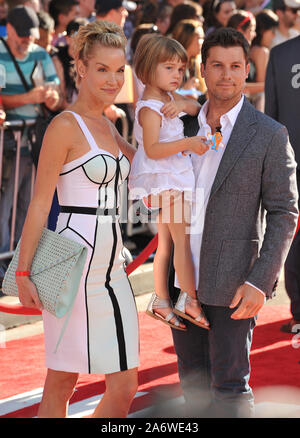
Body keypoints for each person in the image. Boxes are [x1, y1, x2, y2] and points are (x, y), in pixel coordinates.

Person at [169, 27, 298, 418]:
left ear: (246, 71)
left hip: (235, 282)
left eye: (235, 67)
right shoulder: (179, 125)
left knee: (229, 388)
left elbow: (284, 212)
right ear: (203, 69)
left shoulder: (270, 134)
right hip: (180, 278)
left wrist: (261, 280)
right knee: (192, 387)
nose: (226, 75)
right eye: (217, 66)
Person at [15, 20, 139, 418]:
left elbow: (146, 173)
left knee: (124, 385)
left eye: (119, 70)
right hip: (74, 261)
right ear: (81, 69)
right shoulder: (64, 126)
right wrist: (23, 271)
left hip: (112, 264)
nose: (113, 79)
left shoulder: (109, 123)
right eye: (102, 69)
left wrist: (165, 110)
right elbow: (39, 204)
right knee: (62, 380)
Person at [129, 34, 210, 331]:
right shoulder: (150, 108)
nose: (177, 75)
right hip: (163, 178)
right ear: (149, 68)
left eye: (180, 69)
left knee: (166, 242)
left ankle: (162, 301)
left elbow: (194, 106)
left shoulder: (166, 98)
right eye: (169, 68)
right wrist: (188, 141)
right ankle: (189, 300)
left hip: (169, 177)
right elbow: (152, 149)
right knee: (182, 240)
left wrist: (180, 105)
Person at [0, 5, 60, 277]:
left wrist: (50, 98)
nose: (27, 40)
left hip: (34, 140)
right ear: (9, 28)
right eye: (22, 34)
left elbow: (55, 92)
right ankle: (5, 257)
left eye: (31, 35)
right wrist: (31, 98)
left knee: (29, 199)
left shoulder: (40, 53)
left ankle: (21, 257)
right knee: (6, 201)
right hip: (9, 141)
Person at [265, 35, 300, 332]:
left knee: (294, 234)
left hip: (291, 158)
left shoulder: (280, 54)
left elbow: (272, 117)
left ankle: (299, 312)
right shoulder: (279, 54)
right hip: (290, 159)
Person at [227, 11, 265, 99]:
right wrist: (269, 86)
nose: (254, 35)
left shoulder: (244, 52)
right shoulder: (229, 54)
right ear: (240, 31)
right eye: (251, 30)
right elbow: (235, 87)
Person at [248, 9, 279, 111]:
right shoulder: (262, 52)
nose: (274, 35)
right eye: (272, 31)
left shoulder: (249, 48)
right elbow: (263, 85)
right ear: (263, 30)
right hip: (255, 104)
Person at [171, 19, 206, 99]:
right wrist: (185, 90)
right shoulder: (171, 64)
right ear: (186, 39)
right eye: (199, 38)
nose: (202, 42)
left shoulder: (196, 62)